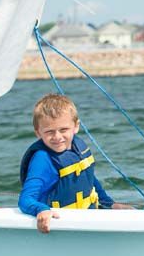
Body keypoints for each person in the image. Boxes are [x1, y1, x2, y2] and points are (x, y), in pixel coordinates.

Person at [18, 94, 132, 234]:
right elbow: (26, 199)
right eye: (49, 132)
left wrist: (109, 204)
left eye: (63, 130)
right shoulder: (42, 159)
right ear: (38, 132)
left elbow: (89, 180)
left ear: (76, 126)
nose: (57, 137)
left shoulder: (77, 147)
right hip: (60, 226)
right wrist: (41, 210)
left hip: (87, 219)